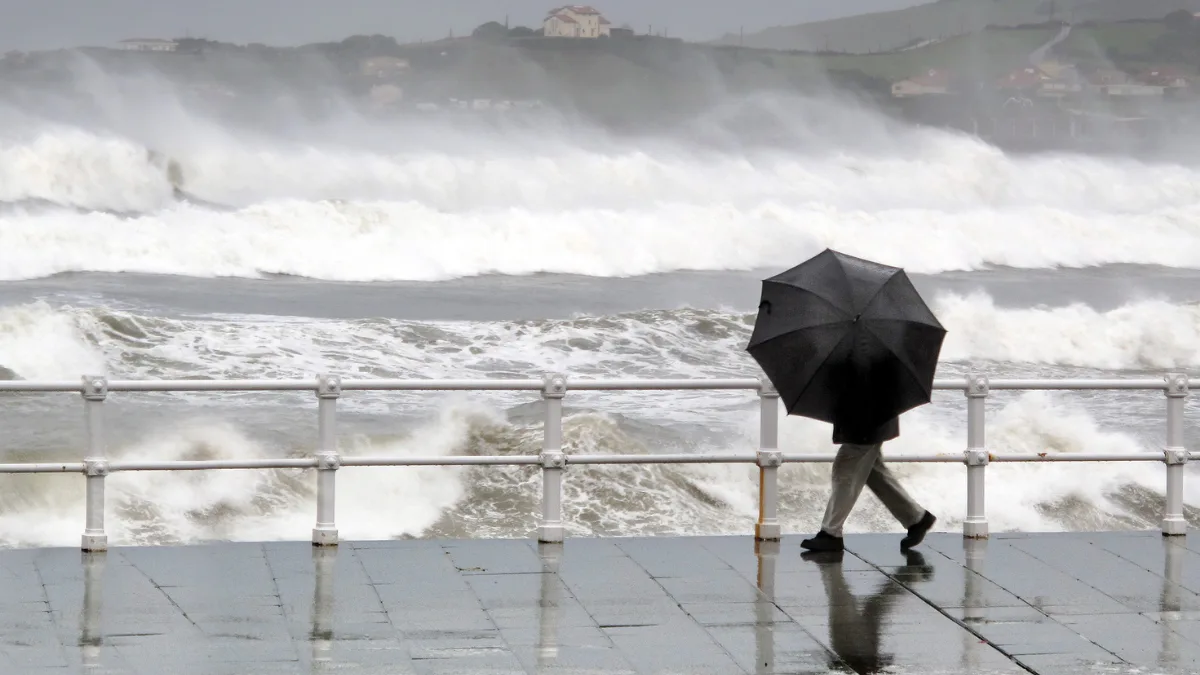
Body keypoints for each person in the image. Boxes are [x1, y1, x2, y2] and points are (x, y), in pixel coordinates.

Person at [800, 413, 936, 552]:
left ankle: (830, 534)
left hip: (868, 416)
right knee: (872, 471)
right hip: (871, 415)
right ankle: (916, 518)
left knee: (846, 466)